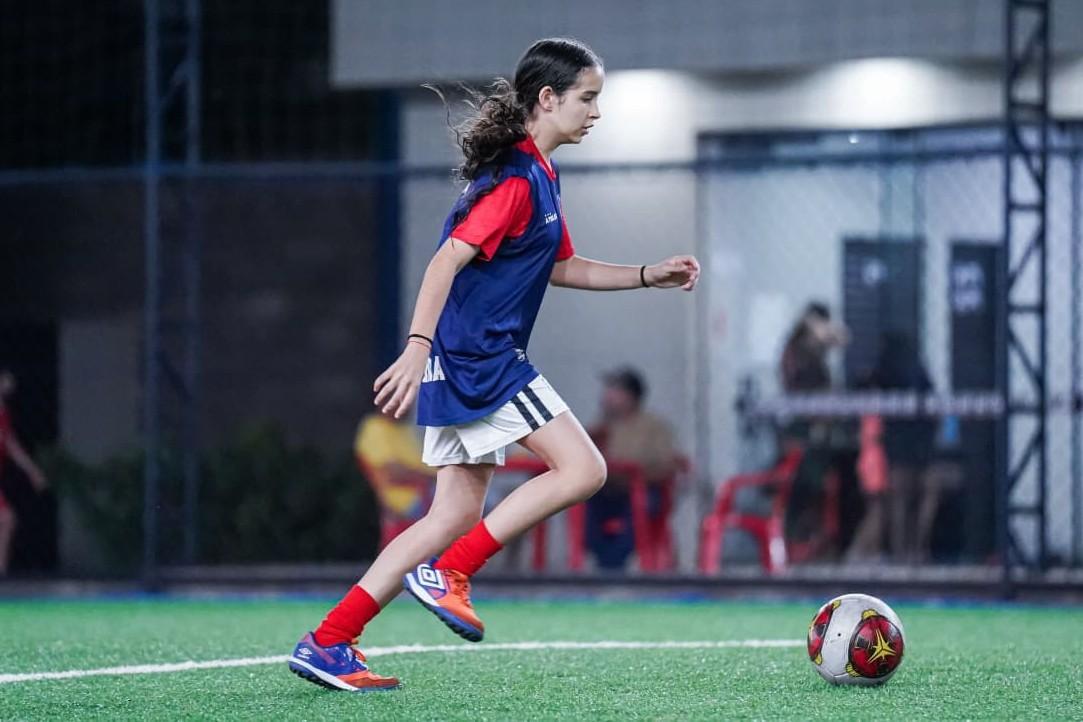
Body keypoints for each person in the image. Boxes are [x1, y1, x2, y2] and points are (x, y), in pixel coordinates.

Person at [287, 37, 700, 692]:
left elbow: (564, 266)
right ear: (547, 98)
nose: (595, 112)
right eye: (587, 98)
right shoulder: (514, 180)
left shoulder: (540, 175)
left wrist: (648, 274)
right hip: (482, 361)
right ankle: (450, 573)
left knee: (449, 515)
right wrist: (416, 345)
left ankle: (330, 640)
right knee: (584, 467)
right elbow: (445, 259)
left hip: (465, 361)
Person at [586, 368, 680, 570]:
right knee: (581, 503)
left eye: (615, 391)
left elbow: (665, 465)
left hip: (645, 491)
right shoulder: (602, 427)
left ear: (632, 396)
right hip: (608, 491)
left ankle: (613, 567)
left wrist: (632, 474)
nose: (608, 397)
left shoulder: (654, 426)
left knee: (638, 508)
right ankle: (604, 564)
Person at [353, 412, 434, 548]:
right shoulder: (375, 427)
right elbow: (392, 473)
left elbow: (428, 468)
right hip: (406, 501)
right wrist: (428, 476)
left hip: (426, 494)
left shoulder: (405, 429)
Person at [0, 369, 49, 576]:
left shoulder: (3, 412)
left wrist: (33, 471)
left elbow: (11, 445)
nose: (9, 385)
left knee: (7, 518)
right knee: (7, 518)